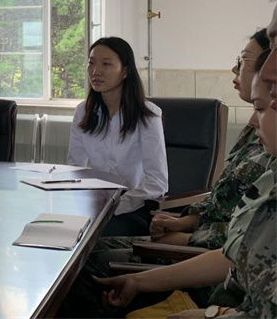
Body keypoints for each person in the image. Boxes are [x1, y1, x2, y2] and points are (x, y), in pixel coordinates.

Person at [94, 65, 275, 319]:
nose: (253, 120)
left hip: (206, 280)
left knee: (88, 269)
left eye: (263, 107)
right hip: (217, 289)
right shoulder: (269, 171)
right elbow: (234, 254)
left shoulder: (266, 164)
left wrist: (210, 314)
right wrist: (186, 224)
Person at [149, 30, 270, 248]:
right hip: (201, 240)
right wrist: (184, 223)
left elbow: (251, 235)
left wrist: (186, 239)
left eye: (243, 61)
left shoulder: (269, 142)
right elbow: (224, 204)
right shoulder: (254, 130)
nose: (234, 69)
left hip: (208, 251)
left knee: (93, 258)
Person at [67, 36, 168, 236]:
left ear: (125, 71)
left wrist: (115, 206)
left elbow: (157, 182)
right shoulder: (83, 112)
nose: (96, 71)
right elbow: (75, 168)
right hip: (94, 204)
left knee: (88, 236)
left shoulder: (148, 115)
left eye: (106, 64)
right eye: (91, 63)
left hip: (133, 207)